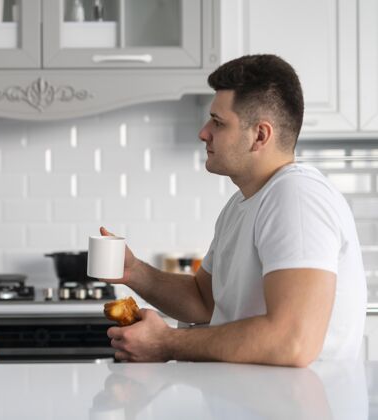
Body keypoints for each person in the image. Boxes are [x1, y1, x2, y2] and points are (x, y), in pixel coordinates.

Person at [103, 54, 367, 367]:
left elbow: (292, 340)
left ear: (260, 135)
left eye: (217, 122)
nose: (203, 132)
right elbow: (203, 300)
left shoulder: (295, 197)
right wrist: (135, 272)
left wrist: (166, 343)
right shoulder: (243, 203)